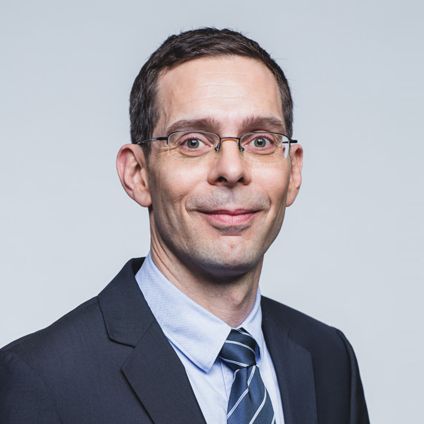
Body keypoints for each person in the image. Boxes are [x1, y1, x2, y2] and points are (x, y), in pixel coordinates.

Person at [0, 28, 370, 424]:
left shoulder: (329, 357)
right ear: (138, 174)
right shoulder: (42, 380)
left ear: (293, 172)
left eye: (260, 141)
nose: (232, 169)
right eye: (193, 142)